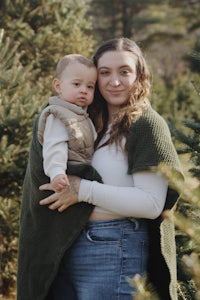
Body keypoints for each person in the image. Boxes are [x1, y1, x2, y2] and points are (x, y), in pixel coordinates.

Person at [17, 38, 183, 300]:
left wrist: (83, 190)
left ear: (140, 75)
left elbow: (151, 203)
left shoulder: (146, 125)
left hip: (113, 246)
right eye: (105, 72)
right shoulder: (83, 122)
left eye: (124, 71)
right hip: (65, 244)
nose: (114, 81)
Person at [37, 54, 98, 194]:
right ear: (58, 86)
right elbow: (54, 146)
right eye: (76, 84)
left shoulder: (81, 113)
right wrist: (57, 173)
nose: (84, 90)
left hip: (83, 173)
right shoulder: (58, 115)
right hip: (66, 174)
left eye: (90, 86)